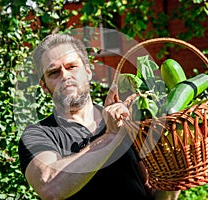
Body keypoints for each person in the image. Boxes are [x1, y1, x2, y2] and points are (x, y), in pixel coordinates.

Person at [18, 33, 180, 200]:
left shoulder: (127, 122)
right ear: (44, 86)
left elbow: (150, 191)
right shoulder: (38, 134)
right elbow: (50, 186)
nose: (65, 76)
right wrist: (110, 137)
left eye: (72, 66)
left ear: (88, 71)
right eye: (53, 72)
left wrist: (173, 179)